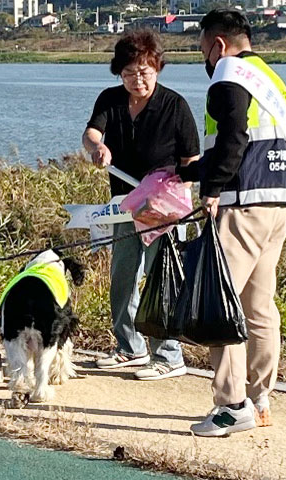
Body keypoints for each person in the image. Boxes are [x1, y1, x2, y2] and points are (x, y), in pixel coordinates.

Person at [178, 8, 286, 437]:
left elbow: (233, 139)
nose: (204, 59)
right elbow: (250, 142)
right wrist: (185, 172)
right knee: (259, 307)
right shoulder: (271, 78)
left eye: (202, 49)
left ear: (219, 44)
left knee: (218, 304)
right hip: (277, 201)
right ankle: (261, 398)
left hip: (241, 202)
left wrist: (211, 189)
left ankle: (231, 405)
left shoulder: (228, 74)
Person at [83, 29, 199, 380]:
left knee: (162, 279)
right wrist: (96, 148)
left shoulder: (175, 105)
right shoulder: (110, 99)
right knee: (122, 276)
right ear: (120, 73)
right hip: (122, 204)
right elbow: (90, 134)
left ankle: (168, 354)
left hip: (163, 207)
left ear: (158, 69)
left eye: (145, 72)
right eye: (130, 72)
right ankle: (128, 347)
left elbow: (192, 160)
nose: (137, 80)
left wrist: (174, 189)